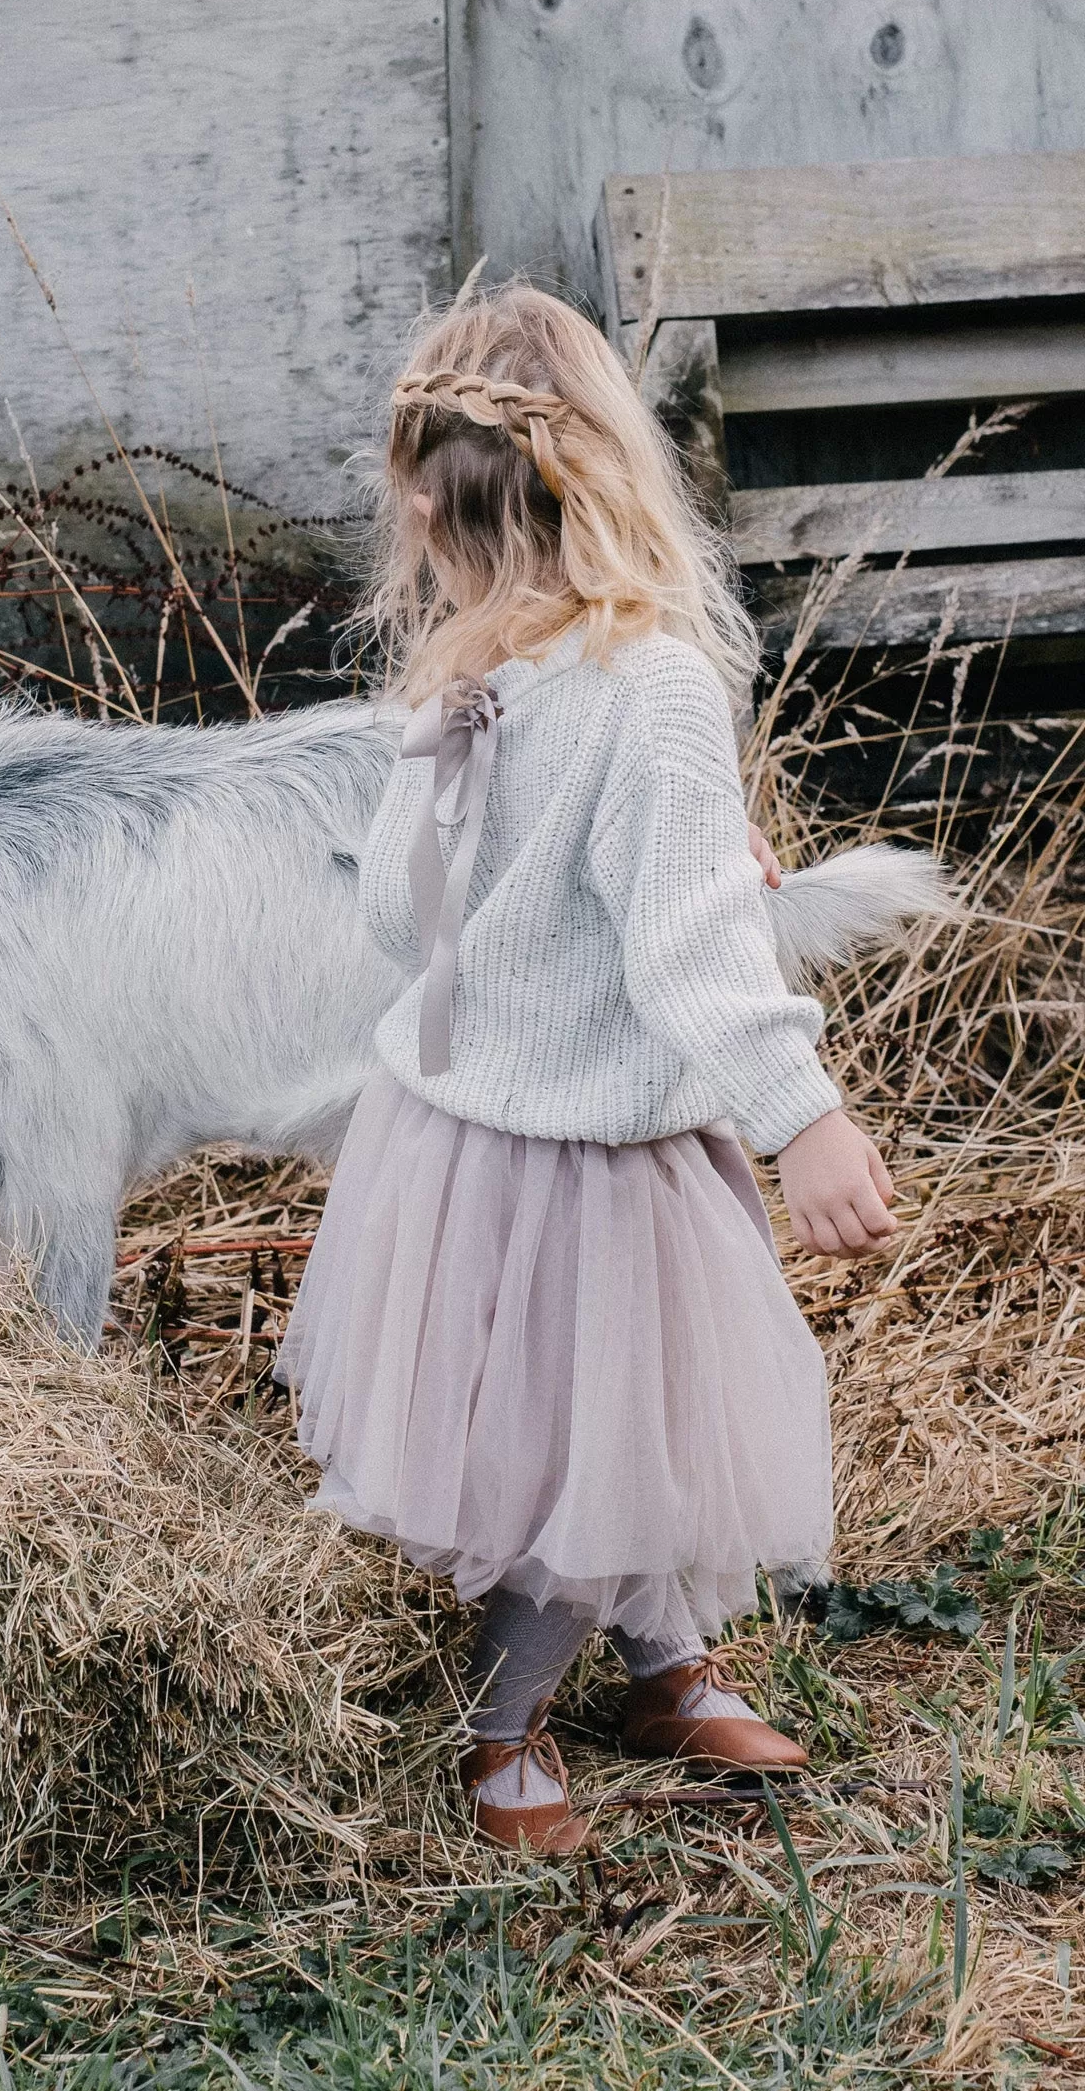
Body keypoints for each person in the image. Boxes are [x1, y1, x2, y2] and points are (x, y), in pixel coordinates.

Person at [277, 281, 898, 1857]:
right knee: (598, 1440)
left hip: (456, 1139)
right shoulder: (647, 684)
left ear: (429, 514)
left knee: (603, 1434)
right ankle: (500, 1734)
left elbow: (400, 910)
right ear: (613, 468)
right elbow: (682, 949)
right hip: (585, 1165)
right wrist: (805, 1118)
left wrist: (685, 857)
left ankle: (662, 1662)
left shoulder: (470, 680)